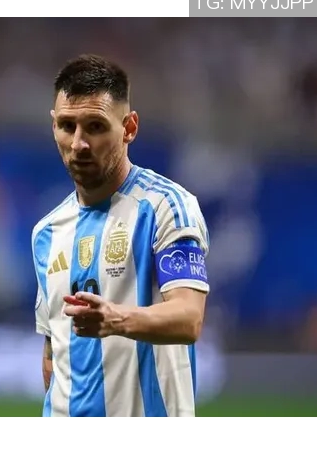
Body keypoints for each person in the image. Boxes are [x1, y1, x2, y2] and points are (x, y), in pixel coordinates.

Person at [32, 54, 210, 417]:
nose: (78, 143)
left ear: (129, 128)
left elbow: (189, 317)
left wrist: (115, 319)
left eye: (95, 127)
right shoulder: (47, 233)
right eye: (67, 126)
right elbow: (53, 352)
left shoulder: (165, 207)